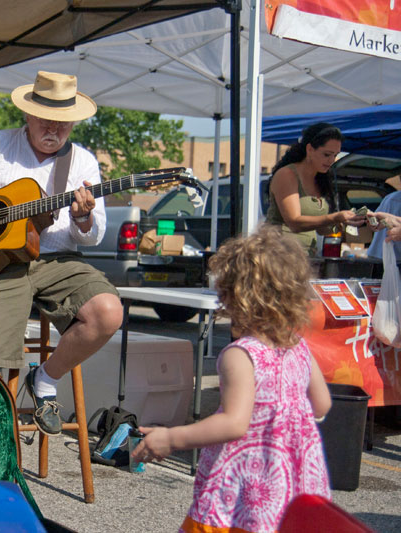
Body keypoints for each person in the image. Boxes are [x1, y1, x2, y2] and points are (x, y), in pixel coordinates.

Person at [0, 70, 123, 436]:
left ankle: (44, 379)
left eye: (64, 124)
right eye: (47, 120)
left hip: (57, 261)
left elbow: (94, 236)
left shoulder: (83, 163)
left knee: (108, 312)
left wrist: (84, 217)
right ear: (27, 115)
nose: (55, 130)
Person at [131, 225, 332, 533]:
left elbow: (235, 423)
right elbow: (321, 404)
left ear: (235, 297)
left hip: (245, 488)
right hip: (292, 487)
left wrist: (171, 438)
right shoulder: (298, 346)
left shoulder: (240, 355)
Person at [266, 122, 365, 255]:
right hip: (278, 254)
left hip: (306, 257)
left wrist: (345, 223)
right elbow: (294, 222)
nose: (331, 160)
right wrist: (335, 217)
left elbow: (321, 229)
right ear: (309, 149)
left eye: (335, 155)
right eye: (327, 154)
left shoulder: (319, 179)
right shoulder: (287, 174)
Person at [367, 191, 401, 258]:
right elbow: (375, 225)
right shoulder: (393, 198)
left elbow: (374, 226)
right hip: (390, 258)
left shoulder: (390, 198)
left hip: (379, 256)